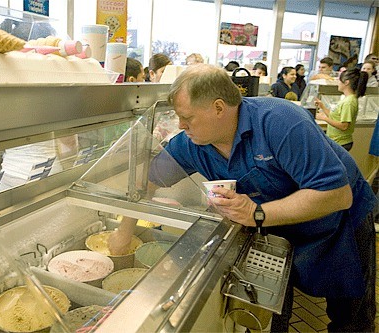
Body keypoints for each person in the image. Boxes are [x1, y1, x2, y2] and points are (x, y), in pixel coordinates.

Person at [109, 64, 377, 332]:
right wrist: (124, 232)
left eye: (187, 117)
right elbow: (147, 182)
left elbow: (338, 195)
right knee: (274, 308)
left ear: (218, 108)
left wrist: (257, 214)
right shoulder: (192, 144)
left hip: (339, 224)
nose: (181, 125)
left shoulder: (280, 121)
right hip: (282, 226)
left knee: (350, 316)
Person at [315, 67, 369, 151]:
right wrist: (322, 106)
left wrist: (324, 118)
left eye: (339, 81)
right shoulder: (347, 99)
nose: (338, 83)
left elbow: (344, 126)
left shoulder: (349, 102)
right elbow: (335, 117)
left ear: (346, 82)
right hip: (336, 141)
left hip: (341, 142)